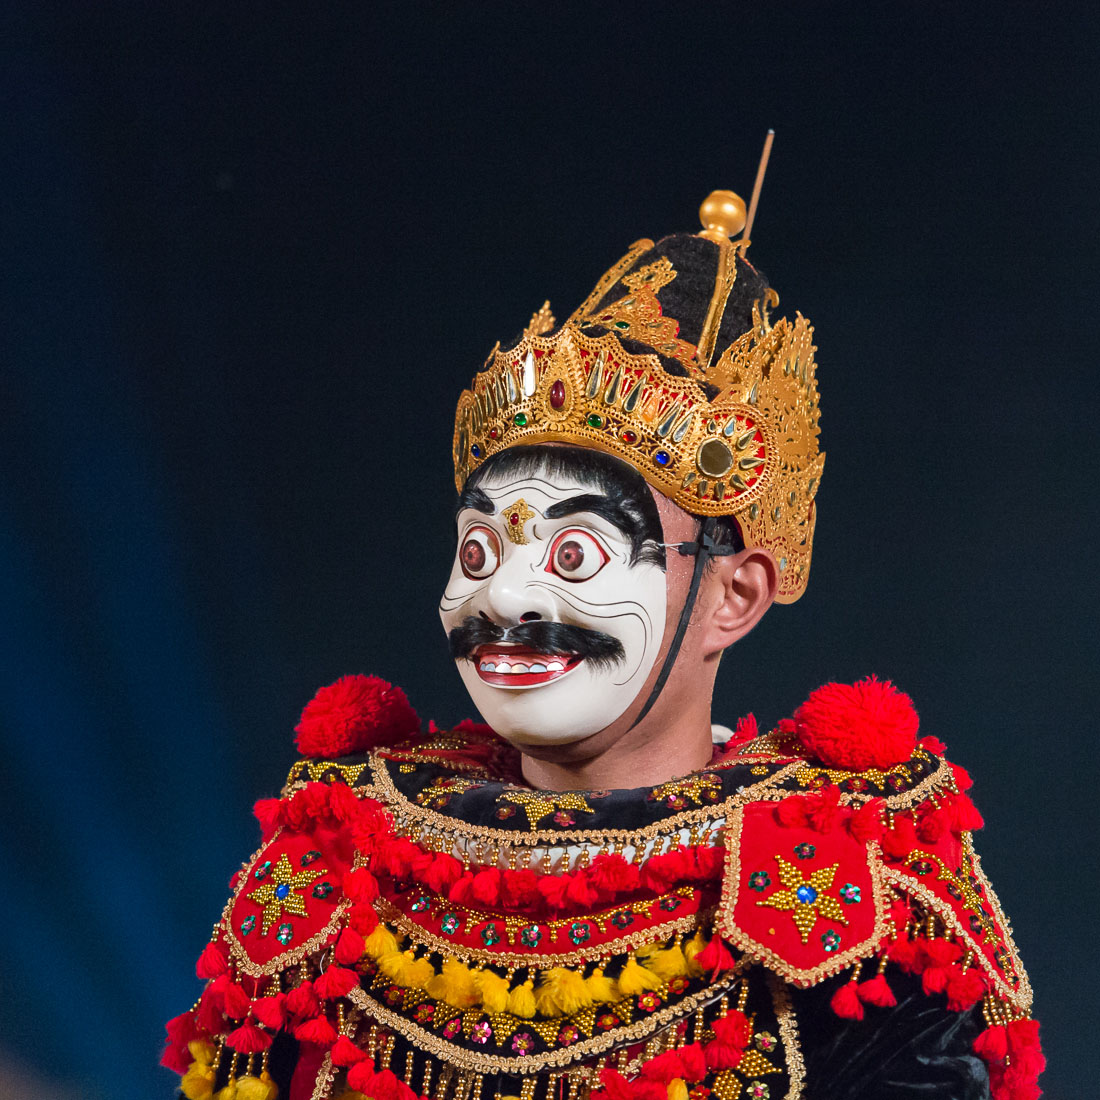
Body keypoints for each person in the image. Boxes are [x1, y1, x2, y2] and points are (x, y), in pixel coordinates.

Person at [163, 187, 1042, 1100]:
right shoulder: (347, 847)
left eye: (575, 554)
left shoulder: (847, 880)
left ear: (734, 597)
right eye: (480, 549)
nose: (502, 595)